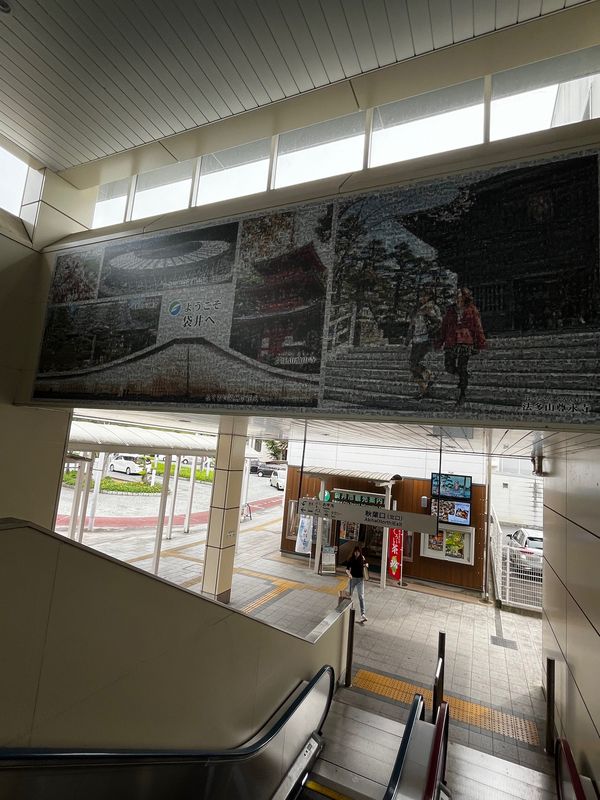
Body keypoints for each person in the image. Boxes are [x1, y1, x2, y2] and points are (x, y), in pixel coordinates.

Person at [437, 287, 486, 406]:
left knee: (462, 367)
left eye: (459, 294)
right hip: (451, 339)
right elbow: (444, 326)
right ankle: (463, 376)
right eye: (456, 294)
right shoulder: (450, 310)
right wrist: (439, 342)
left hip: (465, 340)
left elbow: (477, 327)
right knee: (449, 366)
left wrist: (480, 342)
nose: (456, 296)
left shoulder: (472, 309)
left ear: (465, 296)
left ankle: (462, 394)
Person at [405, 288, 442, 399]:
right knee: (412, 366)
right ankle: (424, 387)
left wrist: (430, 314)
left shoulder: (433, 307)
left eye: (425, 296)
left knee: (418, 363)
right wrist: (407, 340)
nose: (422, 298)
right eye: (421, 296)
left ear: (430, 296)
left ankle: (429, 377)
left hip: (426, 339)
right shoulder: (416, 309)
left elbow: (440, 322)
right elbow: (411, 326)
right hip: (416, 339)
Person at [345, 545, 368, 622]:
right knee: (349, 595)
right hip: (353, 579)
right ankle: (348, 611)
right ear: (354, 552)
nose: (357, 553)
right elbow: (347, 570)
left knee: (361, 596)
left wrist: (366, 565)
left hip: (360, 580)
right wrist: (349, 575)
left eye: (358, 552)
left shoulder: (362, 558)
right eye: (356, 552)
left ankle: (363, 614)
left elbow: (366, 564)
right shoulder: (351, 559)